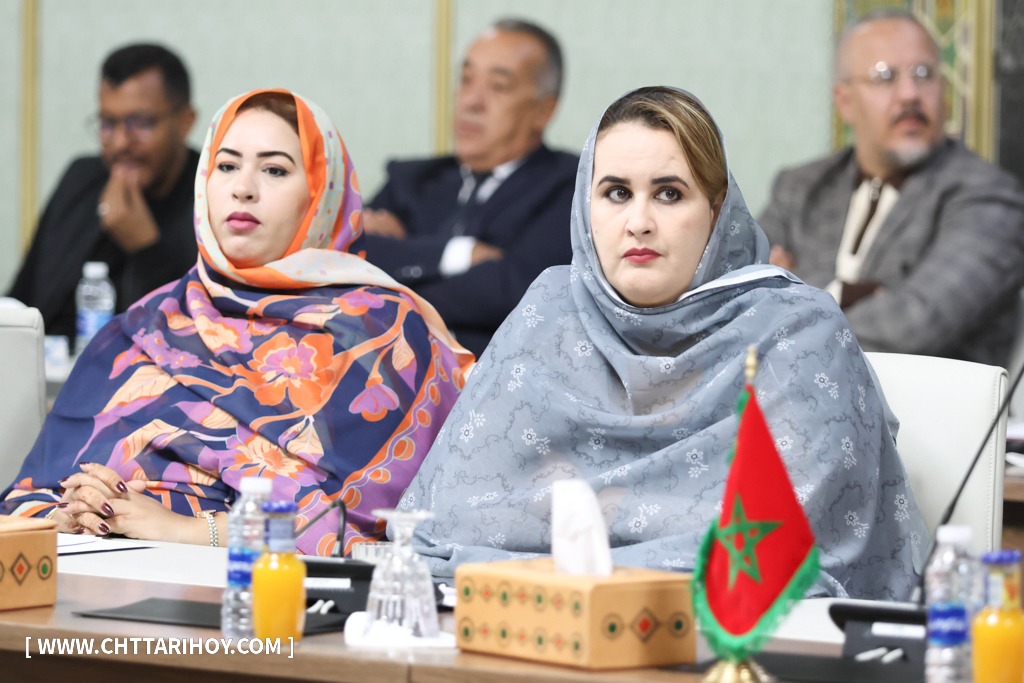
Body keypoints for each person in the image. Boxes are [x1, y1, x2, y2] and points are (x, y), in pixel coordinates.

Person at [401, 87, 928, 601]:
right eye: (616, 193)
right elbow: (448, 518)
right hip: (528, 625)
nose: (639, 223)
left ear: (718, 210)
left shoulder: (798, 332)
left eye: (669, 194)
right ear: (586, 207)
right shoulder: (550, 312)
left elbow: (786, 541)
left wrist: (579, 580)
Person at [1, 90, 473, 556]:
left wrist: (185, 530)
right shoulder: (143, 324)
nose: (243, 188)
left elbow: (367, 522)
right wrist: (68, 515)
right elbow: (32, 491)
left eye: (274, 170)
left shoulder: (380, 328)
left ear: (321, 195)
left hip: (252, 587)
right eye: (226, 166)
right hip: (88, 570)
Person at [760, 9, 1024, 367]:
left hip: (922, 402)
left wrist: (794, 294)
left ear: (944, 90)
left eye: (924, 74)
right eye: (885, 77)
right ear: (845, 102)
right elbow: (736, 293)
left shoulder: (990, 198)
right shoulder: (801, 188)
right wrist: (850, 293)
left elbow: (913, 325)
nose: (910, 94)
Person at [361, 19, 578, 357]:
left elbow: (516, 288)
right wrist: (458, 254)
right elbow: (349, 256)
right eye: (465, 80)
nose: (471, 102)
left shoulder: (570, 184)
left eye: (498, 86)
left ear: (543, 111)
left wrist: (392, 280)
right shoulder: (413, 179)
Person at [10, 44, 201, 348]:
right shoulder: (82, 178)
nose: (121, 143)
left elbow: (198, 338)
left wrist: (145, 249)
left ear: (185, 121)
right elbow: (21, 301)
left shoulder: (213, 197)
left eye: (141, 123)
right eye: (108, 123)